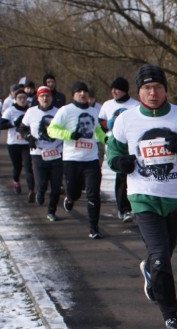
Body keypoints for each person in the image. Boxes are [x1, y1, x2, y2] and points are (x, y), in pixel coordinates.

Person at [107, 64, 177, 329]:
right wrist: (119, 162)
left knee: (164, 255)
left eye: (158, 87)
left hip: (175, 199)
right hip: (143, 198)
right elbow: (112, 152)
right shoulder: (126, 120)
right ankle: (171, 319)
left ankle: (150, 268)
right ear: (139, 92)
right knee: (162, 256)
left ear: (165, 89)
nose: (153, 92)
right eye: (147, 88)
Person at [48, 81, 106, 238]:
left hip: (91, 159)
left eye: (85, 91)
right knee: (74, 191)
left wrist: (106, 139)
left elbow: (98, 131)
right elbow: (51, 130)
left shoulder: (94, 111)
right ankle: (70, 198)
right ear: (73, 94)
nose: (82, 94)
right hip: (72, 159)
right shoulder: (65, 111)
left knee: (93, 194)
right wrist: (68, 135)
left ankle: (94, 228)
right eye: (79, 91)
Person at [19, 86, 64, 221]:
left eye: (48, 96)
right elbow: (21, 128)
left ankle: (51, 211)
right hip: (38, 153)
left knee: (56, 186)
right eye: (42, 96)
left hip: (56, 152)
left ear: (51, 98)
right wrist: (28, 137)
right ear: (37, 98)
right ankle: (40, 191)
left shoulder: (59, 112)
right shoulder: (31, 112)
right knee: (42, 183)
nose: (45, 98)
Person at [99, 76, 139, 222]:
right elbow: (100, 123)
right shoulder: (107, 105)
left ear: (125, 90)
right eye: (113, 89)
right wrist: (105, 133)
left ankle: (136, 206)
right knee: (121, 175)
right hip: (115, 146)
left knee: (135, 175)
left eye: (118, 89)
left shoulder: (135, 105)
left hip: (131, 144)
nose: (114, 91)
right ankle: (123, 209)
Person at [0, 88, 34, 198]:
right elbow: (1, 125)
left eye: (24, 98)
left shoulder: (31, 110)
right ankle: (16, 181)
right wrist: (14, 123)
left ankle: (31, 191)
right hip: (14, 143)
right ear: (15, 99)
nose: (23, 100)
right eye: (20, 98)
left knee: (29, 167)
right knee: (17, 167)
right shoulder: (10, 110)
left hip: (26, 143)